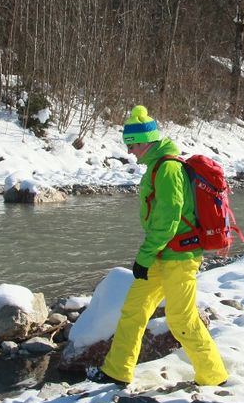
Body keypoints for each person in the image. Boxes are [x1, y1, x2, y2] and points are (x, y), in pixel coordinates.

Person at [88, 105, 228, 388]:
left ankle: (214, 376)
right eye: (128, 145)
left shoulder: (168, 169)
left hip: (180, 257)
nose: (130, 152)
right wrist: (150, 256)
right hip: (161, 256)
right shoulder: (156, 166)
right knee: (134, 310)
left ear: (147, 141)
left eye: (133, 145)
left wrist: (144, 256)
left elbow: (167, 219)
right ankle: (118, 370)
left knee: (181, 319)